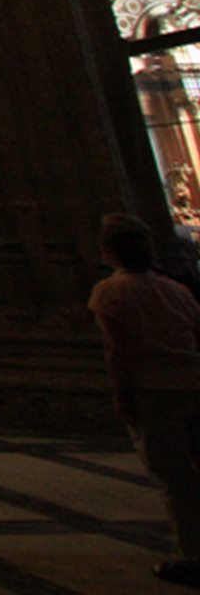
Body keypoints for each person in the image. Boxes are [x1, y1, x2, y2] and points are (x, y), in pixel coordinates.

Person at [90, 212, 200, 587]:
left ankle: (194, 555)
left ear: (108, 254)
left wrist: (122, 396)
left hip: (154, 389)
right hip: (192, 383)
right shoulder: (176, 290)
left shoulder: (111, 292)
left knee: (175, 478)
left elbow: (117, 350)